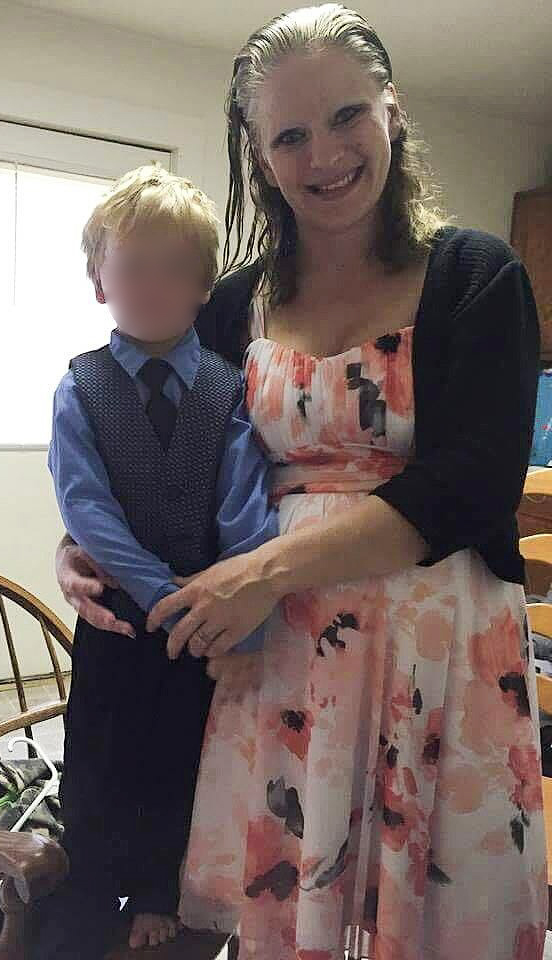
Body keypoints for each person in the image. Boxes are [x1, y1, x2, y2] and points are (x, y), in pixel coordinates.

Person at [56, 5, 547, 959]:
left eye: (346, 117)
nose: (323, 153)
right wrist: (81, 547)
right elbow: (164, 458)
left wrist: (268, 571)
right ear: (258, 153)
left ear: (392, 113)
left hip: (436, 654)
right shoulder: (229, 298)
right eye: (288, 133)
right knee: (289, 907)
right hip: (274, 656)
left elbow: (474, 485)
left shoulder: (476, 274)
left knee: (434, 913)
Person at [38, 165, 277, 959]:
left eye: (174, 266)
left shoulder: (229, 384)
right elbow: (85, 507)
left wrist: (235, 618)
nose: (151, 283)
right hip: (118, 611)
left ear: (204, 285)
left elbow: (246, 501)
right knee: (98, 759)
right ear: (98, 280)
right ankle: (90, 884)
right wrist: (154, 591)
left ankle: (153, 889)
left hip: (207, 614)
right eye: (131, 264)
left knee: (180, 760)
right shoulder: (80, 386)